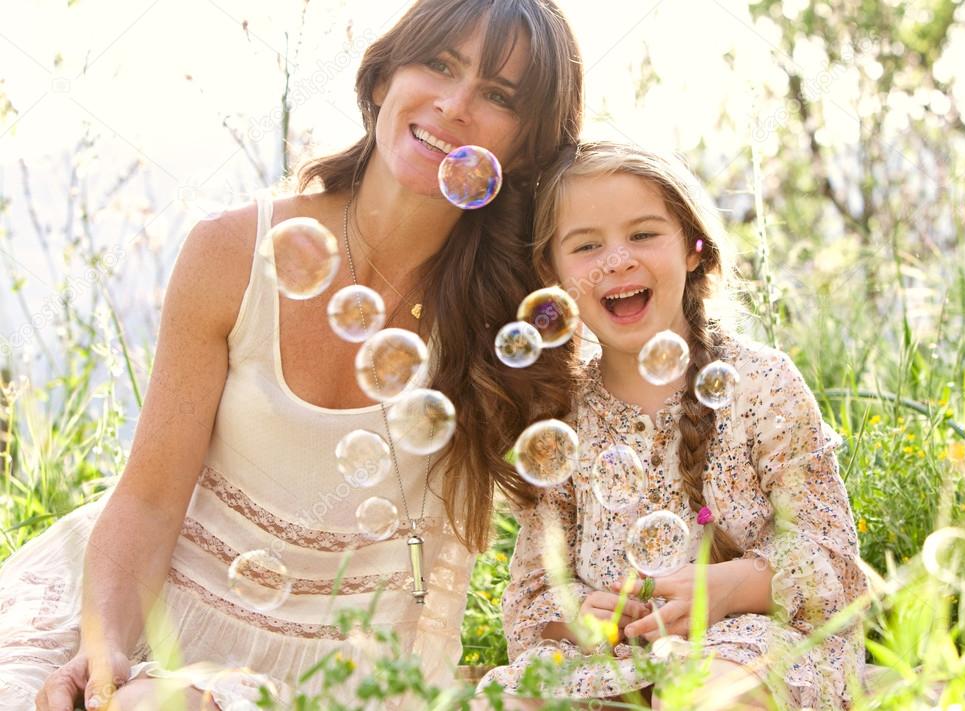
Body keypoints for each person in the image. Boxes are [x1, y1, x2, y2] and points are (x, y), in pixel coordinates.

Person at [0, 1, 583, 708]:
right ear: (380, 81)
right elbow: (149, 502)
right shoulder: (231, 253)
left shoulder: (516, 316)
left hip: (352, 674)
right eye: (439, 64)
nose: (455, 104)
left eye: (497, 96)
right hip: (144, 616)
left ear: (524, 147)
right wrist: (103, 653)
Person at [480, 142, 867, 709]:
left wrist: (727, 588)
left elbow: (831, 560)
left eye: (642, 235)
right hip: (608, 663)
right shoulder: (561, 416)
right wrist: (580, 617)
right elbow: (535, 596)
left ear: (693, 246)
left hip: (752, 642)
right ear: (553, 275)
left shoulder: (760, 384)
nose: (616, 261)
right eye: (587, 245)